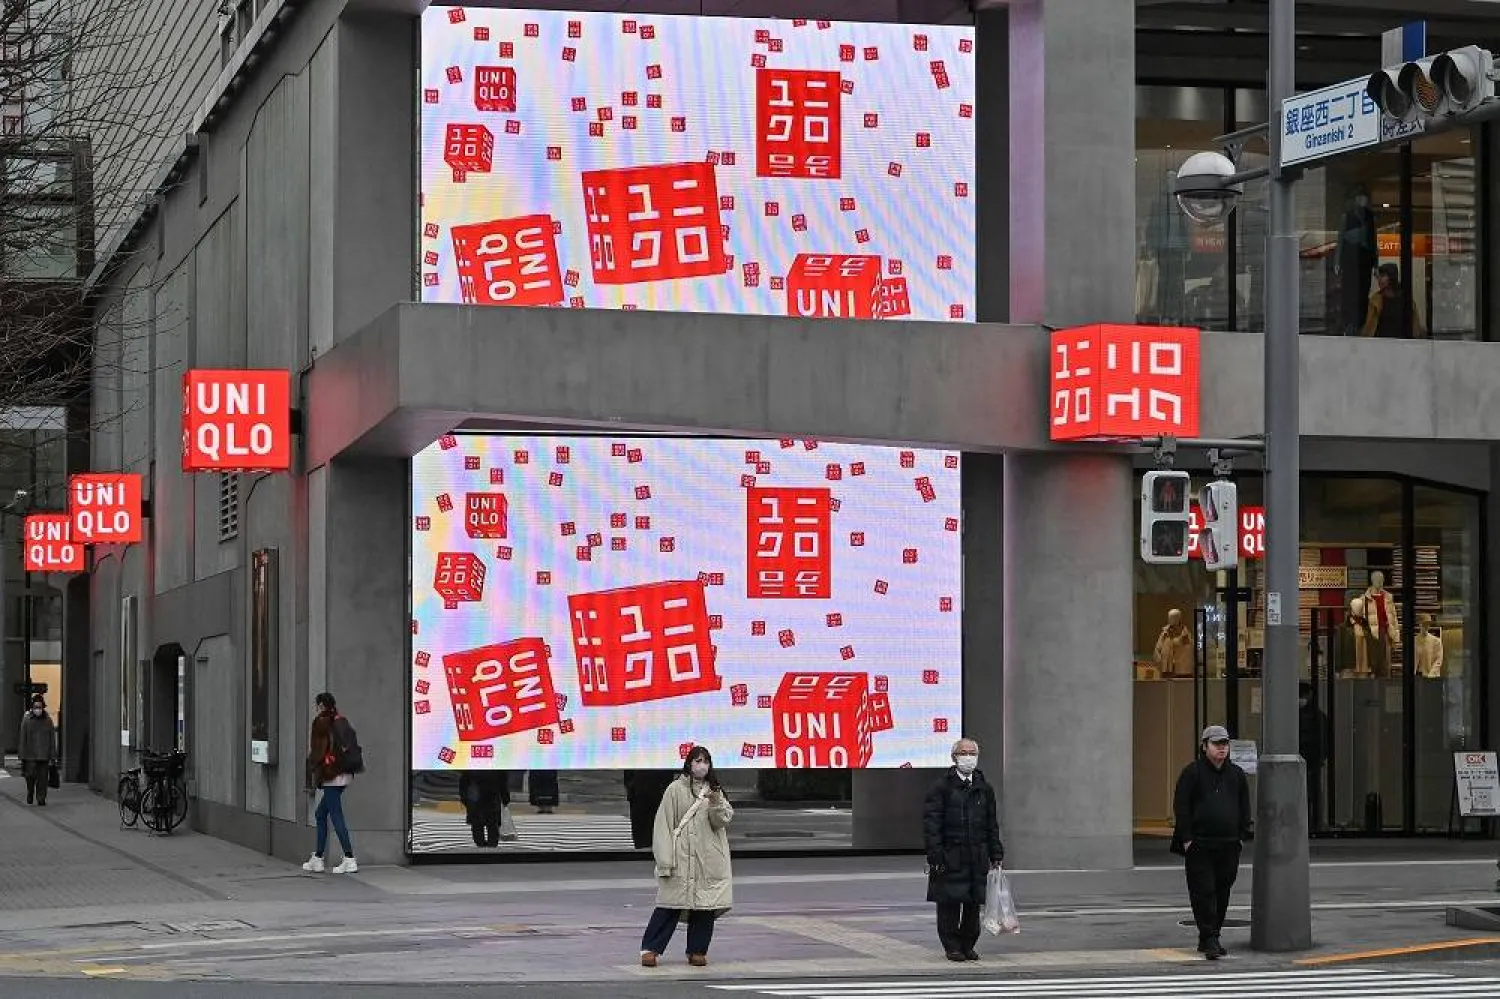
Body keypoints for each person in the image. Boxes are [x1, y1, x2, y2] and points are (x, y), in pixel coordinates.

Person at [639, 746, 733, 968]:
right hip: (679, 856)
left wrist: (716, 800)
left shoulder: (714, 790)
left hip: (707, 859)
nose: (702, 765)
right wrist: (664, 861)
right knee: (669, 904)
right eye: (698, 761)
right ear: (689, 763)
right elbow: (663, 825)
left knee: (704, 907)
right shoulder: (674, 789)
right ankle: (650, 949)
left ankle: (697, 951)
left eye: (706, 761)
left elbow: (723, 820)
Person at [1171, 725, 1251, 959]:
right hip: (1200, 843)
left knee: (1222, 890)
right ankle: (1209, 938)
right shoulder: (1192, 773)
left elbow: (1244, 806)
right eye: (1216, 744)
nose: (1222, 749)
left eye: (1225, 744)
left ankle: (1211, 935)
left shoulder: (1236, 774)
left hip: (1228, 843)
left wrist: (1241, 836)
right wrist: (1187, 838)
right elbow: (1182, 806)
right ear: (1204, 746)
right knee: (1203, 891)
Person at [922, 737, 1003, 962]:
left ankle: (968, 944)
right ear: (954, 757)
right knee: (949, 903)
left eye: (971, 753)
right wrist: (935, 853)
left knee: (972, 903)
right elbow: (932, 823)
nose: (968, 757)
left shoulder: (984, 788)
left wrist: (996, 852)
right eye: (963, 753)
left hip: (976, 855)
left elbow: (991, 823)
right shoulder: (941, 787)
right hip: (950, 855)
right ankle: (952, 946)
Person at [302, 692, 359, 874]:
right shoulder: (341, 720)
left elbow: (317, 752)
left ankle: (349, 858)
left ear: (320, 705)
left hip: (331, 774)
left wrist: (312, 771)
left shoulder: (321, 722)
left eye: (317, 705)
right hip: (345, 774)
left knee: (335, 814)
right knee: (321, 813)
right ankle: (318, 857)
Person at [18, 695, 56, 806]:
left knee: (43, 779)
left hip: (43, 755)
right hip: (30, 755)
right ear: (32, 707)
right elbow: (22, 738)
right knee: (29, 776)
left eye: (40, 707)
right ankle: (30, 791)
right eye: (36, 707)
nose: (38, 709)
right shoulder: (26, 720)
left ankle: (41, 798)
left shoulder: (48, 720)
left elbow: (52, 738)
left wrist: (52, 755)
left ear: (43, 707)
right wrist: (22, 755)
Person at [1299, 682, 1327, 833]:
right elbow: (1325, 738)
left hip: (1308, 760)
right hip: (1313, 761)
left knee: (1305, 794)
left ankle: (1309, 823)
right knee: (1313, 794)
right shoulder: (1318, 715)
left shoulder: (1292, 716)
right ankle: (1314, 824)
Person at [459, 770, 513, 848]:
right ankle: (491, 847)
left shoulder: (471, 765)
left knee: (477, 825)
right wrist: (505, 798)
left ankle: (481, 846)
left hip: (475, 798)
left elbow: (464, 782)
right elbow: (503, 782)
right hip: (492, 797)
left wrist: (464, 798)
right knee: (492, 825)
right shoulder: (497, 766)